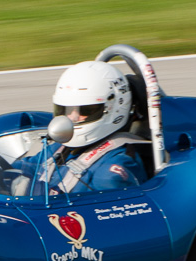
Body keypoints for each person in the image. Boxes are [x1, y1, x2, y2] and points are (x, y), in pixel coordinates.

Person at [35, 60, 148, 194]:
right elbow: (26, 167)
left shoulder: (110, 173)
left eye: (86, 110)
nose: (72, 117)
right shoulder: (58, 148)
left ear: (114, 109)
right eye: (66, 110)